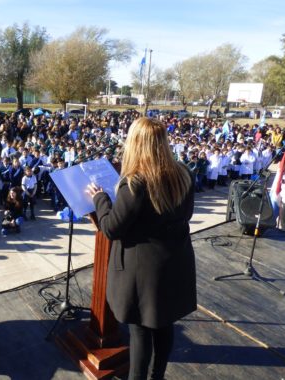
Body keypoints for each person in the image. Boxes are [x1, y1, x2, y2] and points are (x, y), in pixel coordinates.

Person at [87, 117, 196, 380]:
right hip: (175, 263)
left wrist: (99, 198)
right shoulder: (183, 173)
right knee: (164, 323)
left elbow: (111, 228)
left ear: (135, 143)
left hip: (144, 273)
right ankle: (157, 376)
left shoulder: (135, 184)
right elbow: (187, 213)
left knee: (140, 332)